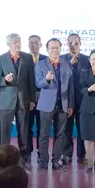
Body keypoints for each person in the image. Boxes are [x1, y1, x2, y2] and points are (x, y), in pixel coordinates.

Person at [0, 33, 36, 169]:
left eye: (18, 41)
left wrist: (32, 99)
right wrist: (5, 80)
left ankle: (25, 158)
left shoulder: (27, 58)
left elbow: (31, 80)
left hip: (23, 100)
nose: (17, 44)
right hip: (6, 100)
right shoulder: (1, 58)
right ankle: (4, 159)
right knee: (5, 131)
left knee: (23, 131)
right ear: (8, 44)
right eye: (14, 42)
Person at [34, 38, 74, 171]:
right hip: (46, 105)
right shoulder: (40, 64)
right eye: (52, 48)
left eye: (57, 47)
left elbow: (71, 87)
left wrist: (70, 105)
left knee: (60, 135)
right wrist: (46, 80)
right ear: (47, 49)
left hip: (63, 104)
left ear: (60, 48)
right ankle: (43, 162)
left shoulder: (66, 64)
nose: (54, 50)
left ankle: (56, 161)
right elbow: (38, 83)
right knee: (44, 134)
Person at [62, 33, 90, 164]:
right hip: (66, 99)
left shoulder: (87, 59)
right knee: (66, 129)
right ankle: (66, 154)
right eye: (70, 43)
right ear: (67, 44)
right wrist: (69, 65)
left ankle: (81, 155)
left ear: (80, 44)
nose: (73, 45)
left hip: (82, 99)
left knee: (82, 128)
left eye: (76, 43)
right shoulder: (62, 59)